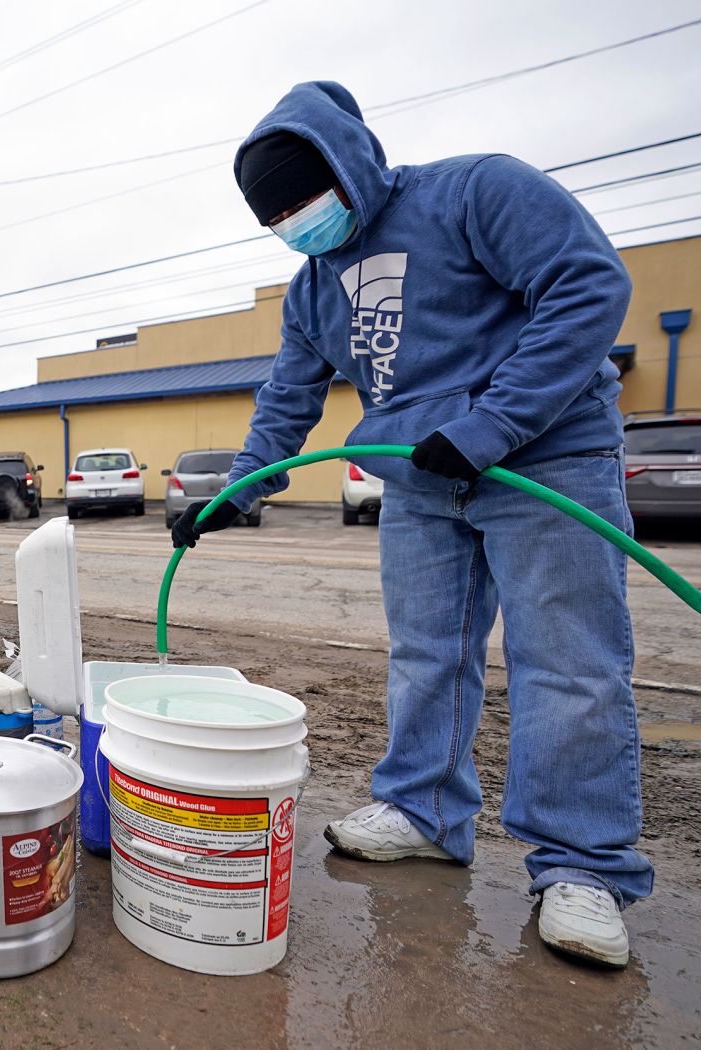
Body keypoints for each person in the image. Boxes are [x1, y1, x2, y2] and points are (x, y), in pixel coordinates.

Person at [176, 81, 642, 968]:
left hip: (543, 458)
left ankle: (583, 868)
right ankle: (425, 811)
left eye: (302, 201)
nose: (294, 223)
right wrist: (231, 494)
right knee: (426, 654)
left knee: (569, 665)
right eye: (276, 218)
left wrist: (491, 426)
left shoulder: (475, 193)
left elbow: (587, 287)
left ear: (349, 164)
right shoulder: (313, 289)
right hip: (422, 480)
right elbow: (288, 398)